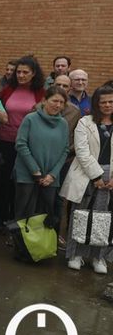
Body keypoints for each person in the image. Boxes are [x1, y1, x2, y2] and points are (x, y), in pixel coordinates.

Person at [60, 85, 113, 273]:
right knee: (80, 214)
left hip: (110, 176)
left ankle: (98, 257)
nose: (107, 105)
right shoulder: (85, 122)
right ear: (96, 104)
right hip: (86, 174)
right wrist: (96, 176)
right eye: (103, 102)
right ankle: (76, 254)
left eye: (110, 101)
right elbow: (82, 151)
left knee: (102, 217)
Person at [0, 56, 46, 232]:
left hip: (27, 145)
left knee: (21, 185)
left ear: (34, 74)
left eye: (25, 72)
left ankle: (15, 222)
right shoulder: (8, 90)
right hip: (4, 141)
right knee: (2, 183)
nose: (21, 75)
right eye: (18, 72)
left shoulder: (41, 93)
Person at [12, 86, 70, 227]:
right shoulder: (30, 119)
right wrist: (35, 171)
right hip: (27, 175)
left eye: (62, 102)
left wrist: (53, 175)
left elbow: (65, 150)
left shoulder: (63, 124)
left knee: (45, 216)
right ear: (44, 100)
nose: (58, 105)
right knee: (23, 213)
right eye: (54, 100)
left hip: (50, 178)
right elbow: (21, 144)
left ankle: (40, 247)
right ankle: (20, 245)